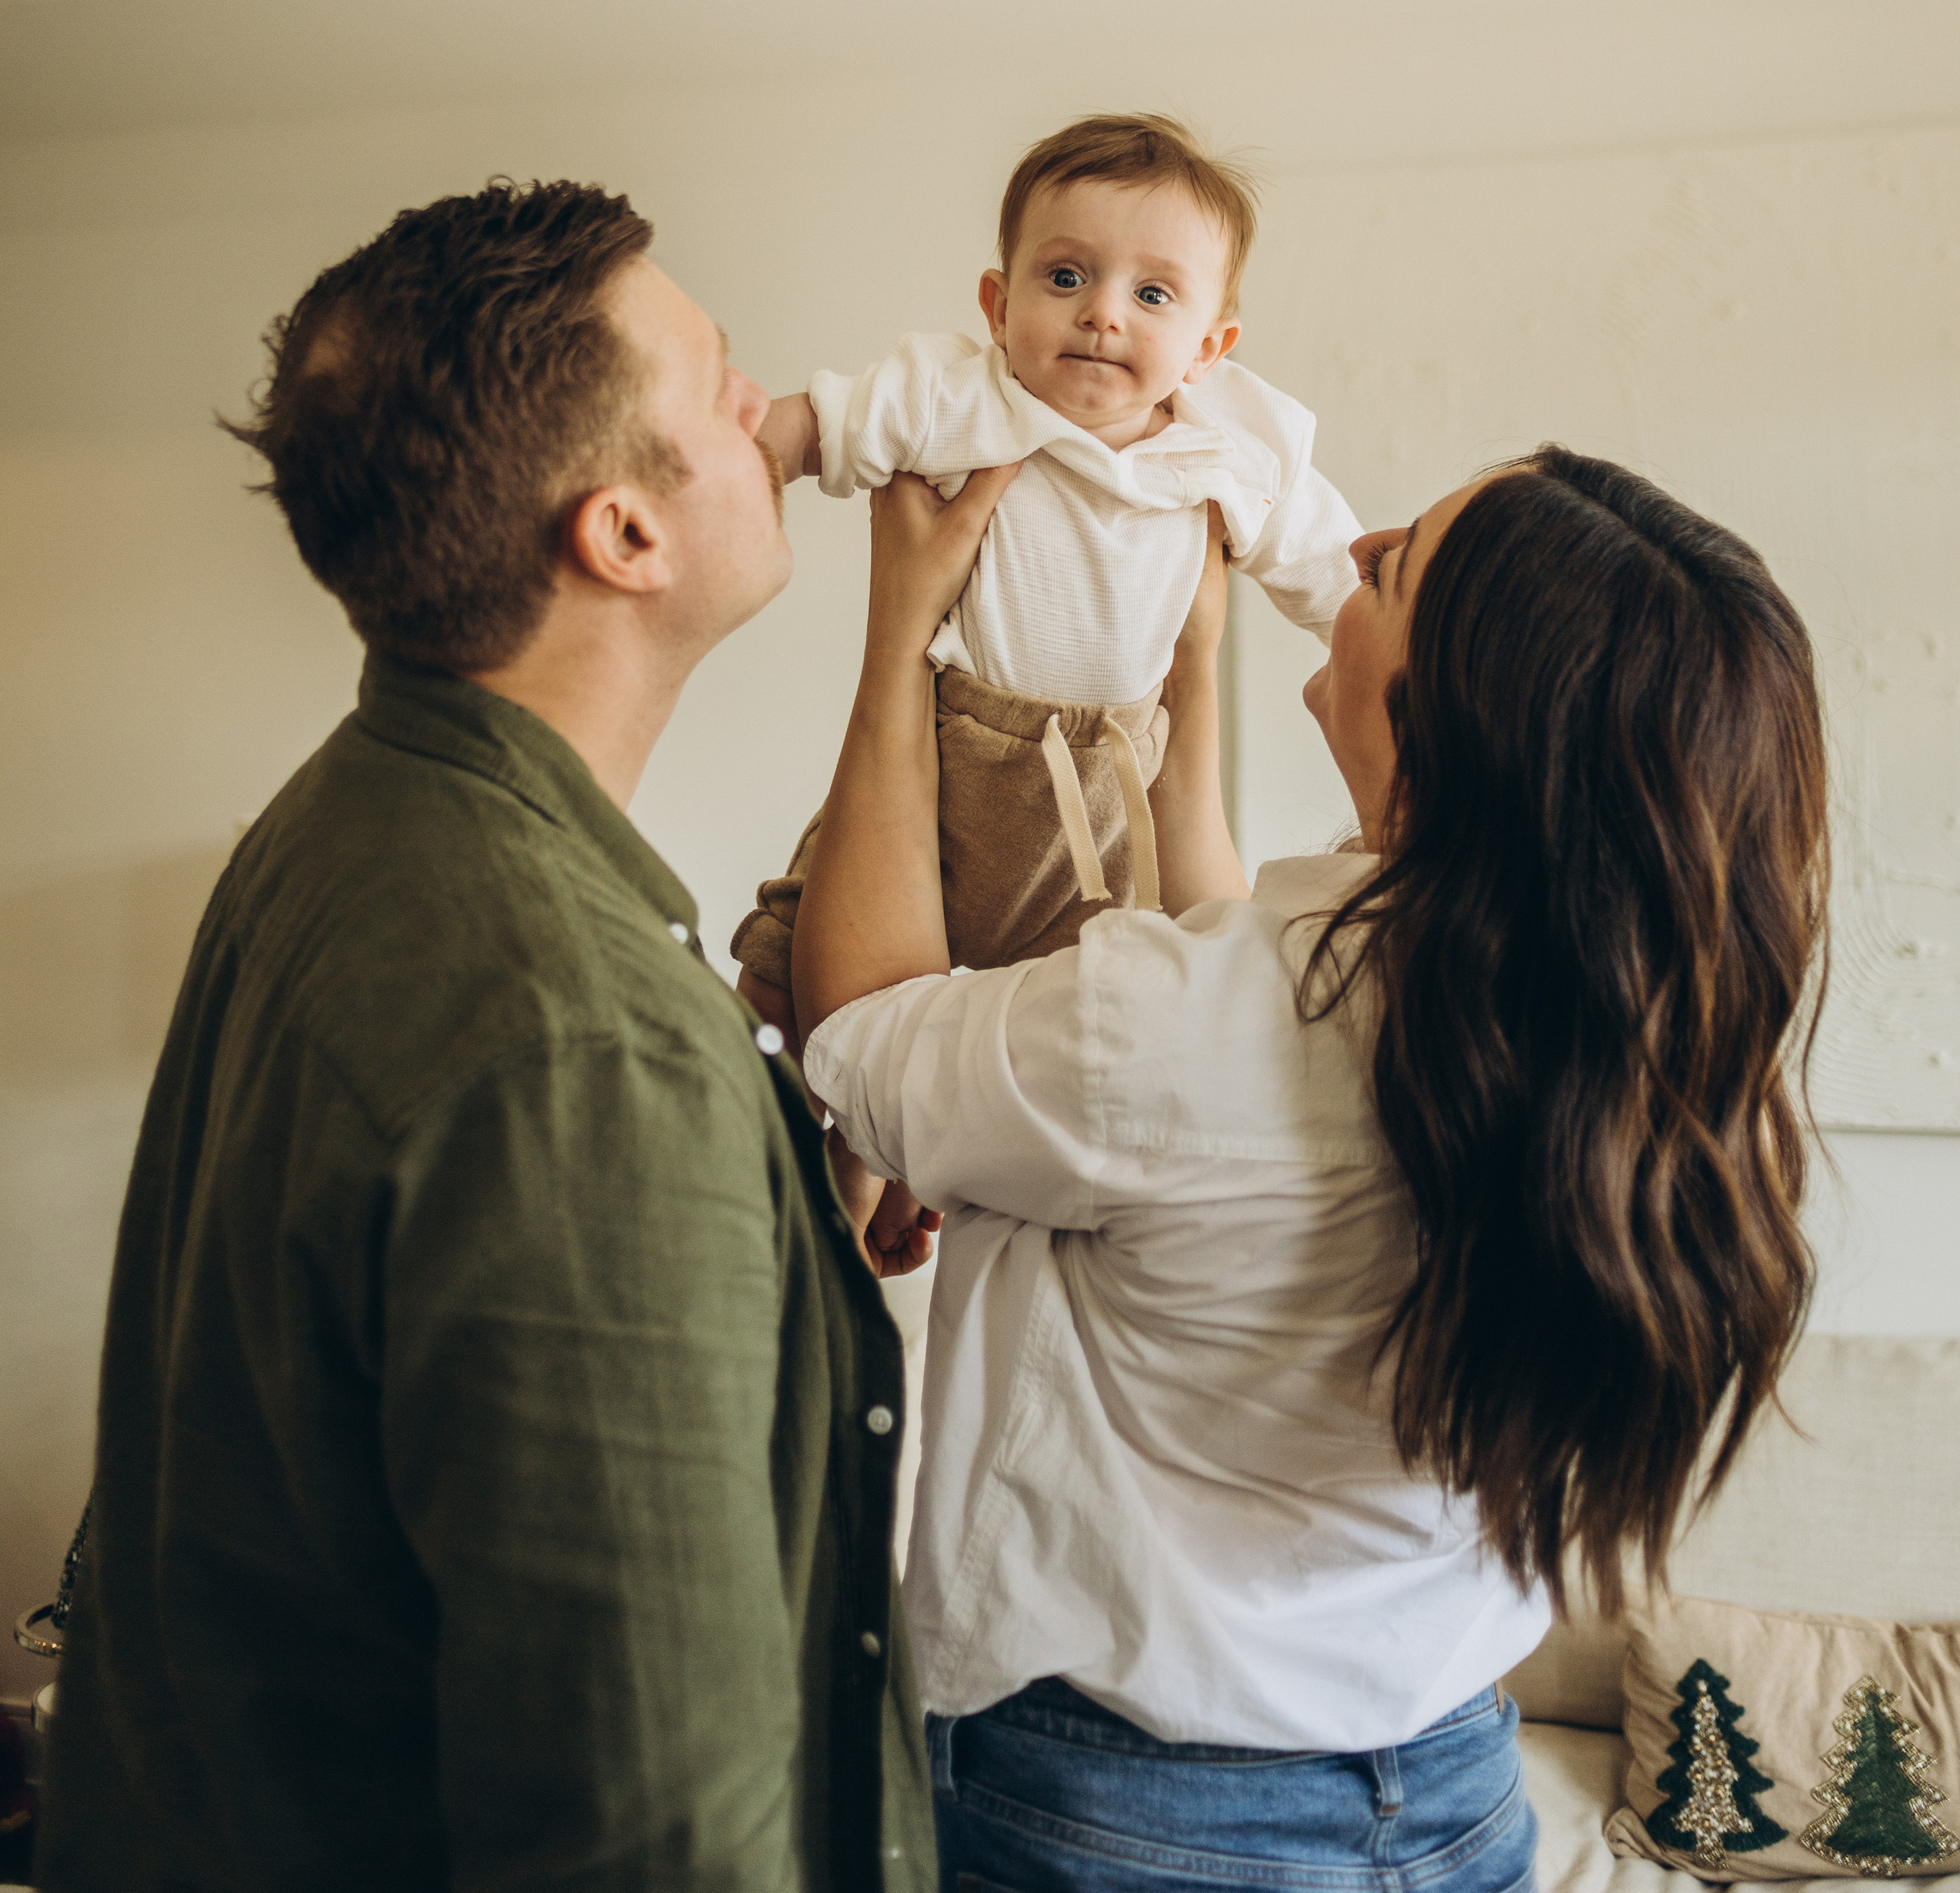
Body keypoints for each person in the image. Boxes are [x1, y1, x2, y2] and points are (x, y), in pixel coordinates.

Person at [37, 179, 936, 1893]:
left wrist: (755, 1197)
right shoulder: (582, 1043)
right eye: (719, 381)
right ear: (623, 536)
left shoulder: (343, 818)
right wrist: (673, 1141)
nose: (764, 413)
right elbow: (652, 1832)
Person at [791, 444, 1826, 1893]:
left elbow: (858, 1029)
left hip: (1122, 1818)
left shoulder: (1188, 1032)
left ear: (1443, 717)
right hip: (1452, 1794)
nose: (1361, 543)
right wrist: (1190, 664)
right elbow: (1243, 985)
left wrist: (904, 630)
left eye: (1397, 566)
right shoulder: (1611, 1040)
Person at [733, 113, 1357, 1003]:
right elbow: (805, 429)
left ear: (1210, 349)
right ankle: (816, 1134)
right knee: (791, 974)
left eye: (1153, 296)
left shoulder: (1231, 444)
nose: (1102, 312)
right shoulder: (960, 395)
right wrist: (701, 472)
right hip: (941, 767)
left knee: (1095, 1010)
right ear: (997, 307)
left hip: (1104, 803)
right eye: (1065, 277)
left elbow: (1334, 573)